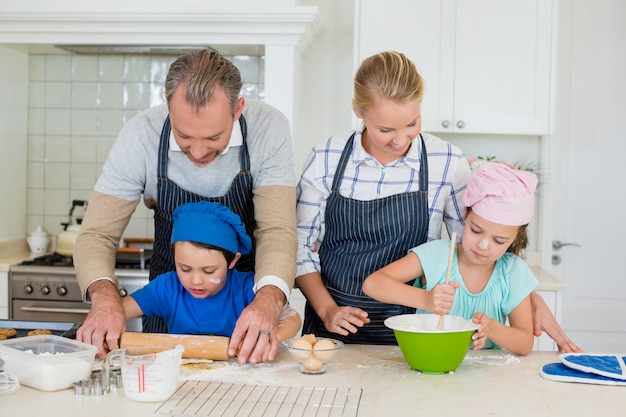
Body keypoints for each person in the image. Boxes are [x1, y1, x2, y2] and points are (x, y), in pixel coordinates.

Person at [295, 51, 581, 352]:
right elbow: (300, 246)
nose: (400, 140)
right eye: (385, 129)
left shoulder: (446, 161)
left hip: (414, 329)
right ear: (358, 110)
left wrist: (529, 297)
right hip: (332, 329)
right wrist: (327, 310)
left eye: (412, 123)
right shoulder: (327, 157)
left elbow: (473, 248)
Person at [73, 49, 297, 363]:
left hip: (247, 300)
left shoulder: (267, 129)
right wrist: (105, 298)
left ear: (238, 110)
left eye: (214, 137)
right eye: (184, 135)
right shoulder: (141, 135)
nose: (199, 152)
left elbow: (276, 230)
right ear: (168, 108)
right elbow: (97, 234)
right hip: (169, 304)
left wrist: (269, 302)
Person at [363, 162, 540, 355]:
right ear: (465, 215)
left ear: (515, 239)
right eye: (476, 230)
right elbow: (373, 284)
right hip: (428, 362)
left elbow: (525, 344)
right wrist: (426, 299)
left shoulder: (512, 270)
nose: (483, 245)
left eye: (499, 240)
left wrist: (492, 329)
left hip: (484, 376)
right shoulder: (438, 255)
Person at [123, 201, 301, 342]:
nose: (196, 281)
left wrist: (269, 337)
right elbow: (118, 311)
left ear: (233, 260)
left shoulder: (247, 288)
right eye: (184, 269)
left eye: (209, 271)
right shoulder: (166, 288)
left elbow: (292, 319)